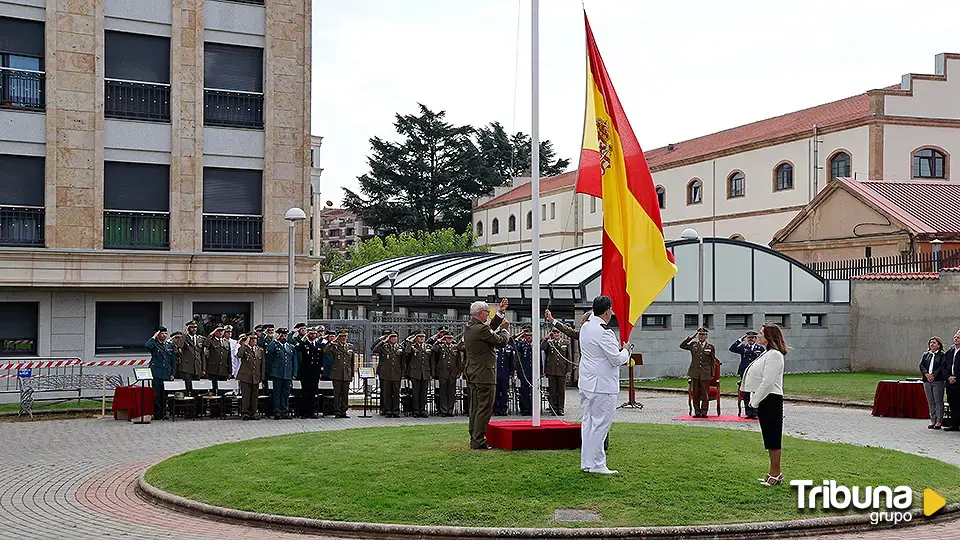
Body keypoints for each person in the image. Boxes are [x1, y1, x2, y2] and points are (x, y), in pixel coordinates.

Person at [578, 296, 632, 474]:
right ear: (607, 310)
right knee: (601, 424)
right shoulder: (604, 331)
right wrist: (626, 350)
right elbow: (616, 359)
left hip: (587, 382)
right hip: (602, 385)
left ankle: (587, 462)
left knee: (589, 423)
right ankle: (597, 464)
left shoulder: (585, 327)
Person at [741, 323, 788, 486]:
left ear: (769, 336)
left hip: (771, 399)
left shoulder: (775, 355)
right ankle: (773, 472)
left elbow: (768, 382)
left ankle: (776, 474)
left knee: (773, 438)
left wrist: (754, 402)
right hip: (765, 399)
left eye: (761, 333)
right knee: (768, 438)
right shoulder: (767, 353)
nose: (759, 335)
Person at [463, 298, 510, 450]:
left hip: (473, 373)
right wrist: (505, 330)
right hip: (484, 375)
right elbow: (500, 341)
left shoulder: (470, 327)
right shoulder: (481, 330)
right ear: (480, 313)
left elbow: (488, 328)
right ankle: (479, 440)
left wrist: (500, 312)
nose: (489, 314)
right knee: (484, 408)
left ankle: (474, 437)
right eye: (487, 312)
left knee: (475, 408)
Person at [545, 310, 590, 387]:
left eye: (583, 320)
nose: (581, 323)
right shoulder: (581, 334)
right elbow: (567, 330)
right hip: (585, 368)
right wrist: (552, 320)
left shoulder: (602, 333)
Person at [681, 327, 717, 418]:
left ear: (706, 336)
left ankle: (704, 412)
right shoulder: (693, 345)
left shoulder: (710, 347)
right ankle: (697, 411)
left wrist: (712, 373)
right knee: (695, 393)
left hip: (705, 373)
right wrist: (690, 338)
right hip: (695, 372)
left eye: (703, 334)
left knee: (705, 393)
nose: (701, 336)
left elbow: (712, 362)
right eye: (700, 334)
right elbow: (682, 346)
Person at [730, 331, 765, 419]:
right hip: (745, 373)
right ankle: (749, 413)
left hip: (756, 373)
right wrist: (740, 340)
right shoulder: (743, 348)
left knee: (756, 392)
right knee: (746, 393)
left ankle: (756, 412)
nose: (750, 340)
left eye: (752, 338)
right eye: (749, 338)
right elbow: (732, 348)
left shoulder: (760, 348)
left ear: (755, 339)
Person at [265, 327, 298, 420]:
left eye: (285, 335)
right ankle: (277, 412)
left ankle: (285, 411)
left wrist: (294, 373)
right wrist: (275, 340)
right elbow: (268, 351)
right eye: (282, 335)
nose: (284, 337)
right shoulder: (275, 345)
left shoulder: (290, 346)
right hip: (277, 373)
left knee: (286, 394)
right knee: (277, 393)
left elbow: (294, 361)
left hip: (287, 373)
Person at [146, 326, 177, 420]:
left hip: (166, 373)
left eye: (165, 334)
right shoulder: (154, 344)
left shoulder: (169, 345)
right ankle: (157, 413)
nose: (164, 335)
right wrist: (153, 337)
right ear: (157, 334)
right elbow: (147, 345)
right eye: (162, 333)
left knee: (165, 395)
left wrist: (172, 374)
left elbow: (173, 361)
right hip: (156, 373)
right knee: (156, 395)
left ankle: (164, 413)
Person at [324, 329, 354, 418]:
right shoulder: (334, 346)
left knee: (345, 394)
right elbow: (325, 350)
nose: (343, 338)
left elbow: (352, 362)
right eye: (341, 336)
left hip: (346, 373)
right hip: (336, 373)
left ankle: (343, 411)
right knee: (337, 393)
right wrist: (333, 341)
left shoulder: (350, 347)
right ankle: (337, 411)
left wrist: (351, 373)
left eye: (344, 336)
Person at [541, 326, 572, 415]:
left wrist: (568, 371)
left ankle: (560, 408)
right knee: (552, 391)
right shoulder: (550, 343)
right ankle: (553, 408)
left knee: (561, 391)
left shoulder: (566, 343)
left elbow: (569, 357)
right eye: (554, 333)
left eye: (557, 333)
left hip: (562, 371)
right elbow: (542, 348)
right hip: (551, 371)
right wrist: (546, 338)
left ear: (560, 334)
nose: (556, 334)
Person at [373, 330, 404, 417]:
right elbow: (375, 350)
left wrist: (403, 374)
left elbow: (403, 362)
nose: (393, 339)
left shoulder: (400, 347)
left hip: (396, 373)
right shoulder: (384, 347)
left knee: (396, 393)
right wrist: (383, 341)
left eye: (395, 337)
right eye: (391, 337)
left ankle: (396, 410)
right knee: (387, 393)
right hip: (386, 373)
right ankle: (388, 410)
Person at [431, 330, 461, 417]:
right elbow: (433, 349)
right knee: (443, 392)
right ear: (444, 339)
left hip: (452, 373)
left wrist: (458, 371)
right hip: (442, 372)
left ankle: (450, 410)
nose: (449, 340)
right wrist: (439, 340)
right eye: (447, 338)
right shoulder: (440, 347)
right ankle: (443, 410)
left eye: (450, 338)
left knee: (451, 392)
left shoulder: (455, 347)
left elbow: (458, 360)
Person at [295, 327, 323, 418]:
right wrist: (303, 339)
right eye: (311, 334)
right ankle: (305, 412)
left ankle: (312, 412)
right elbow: (297, 349)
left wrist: (320, 371)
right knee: (305, 393)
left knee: (313, 393)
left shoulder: (318, 345)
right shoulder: (304, 344)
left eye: (314, 334)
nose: (313, 335)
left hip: (315, 372)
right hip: (306, 372)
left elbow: (320, 359)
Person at [919, 336, 947, 430]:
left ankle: (939, 421)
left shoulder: (942, 355)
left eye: (934, 342)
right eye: (930, 342)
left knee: (938, 401)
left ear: (939, 345)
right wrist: (926, 374)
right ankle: (933, 420)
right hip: (927, 381)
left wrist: (933, 375)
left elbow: (941, 367)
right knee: (931, 401)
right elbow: (921, 365)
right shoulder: (926, 354)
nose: (932, 344)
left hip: (937, 380)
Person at [236, 334, 264, 421]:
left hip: (255, 376)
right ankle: (245, 413)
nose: (254, 341)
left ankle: (253, 412)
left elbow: (262, 365)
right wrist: (245, 344)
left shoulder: (260, 350)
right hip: (245, 376)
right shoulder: (244, 349)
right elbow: (239, 355)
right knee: (246, 396)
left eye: (255, 339)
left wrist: (262, 377)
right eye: (252, 339)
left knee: (254, 396)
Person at [404, 330, 432, 418]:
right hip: (415, 372)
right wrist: (409, 341)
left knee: (424, 393)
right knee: (416, 393)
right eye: (420, 337)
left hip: (425, 373)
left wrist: (431, 373)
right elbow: (407, 352)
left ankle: (422, 410)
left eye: (423, 337)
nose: (421, 338)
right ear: (416, 338)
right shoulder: (412, 347)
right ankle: (416, 410)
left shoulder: (428, 346)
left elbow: (431, 361)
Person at [175, 320, 203, 390]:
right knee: (187, 388)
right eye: (192, 327)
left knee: (196, 389)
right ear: (188, 328)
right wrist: (184, 334)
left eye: (195, 327)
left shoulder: (200, 338)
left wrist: (203, 368)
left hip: (197, 367)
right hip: (187, 368)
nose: (194, 329)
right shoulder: (184, 338)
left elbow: (202, 354)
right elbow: (179, 345)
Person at [941, 331, 960, 431]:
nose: (956, 339)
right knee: (952, 403)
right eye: (955, 337)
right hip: (950, 382)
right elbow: (944, 367)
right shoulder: (949, 352)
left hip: (959, 381)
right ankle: (954, 425)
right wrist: (948, 377)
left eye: (958, 337)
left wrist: (956, 377)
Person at [513, 327, 534, 416]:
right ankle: (525, 409)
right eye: (527, 335)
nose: (529, 337)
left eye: (530, 335)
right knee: (524, 391)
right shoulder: (521, 344)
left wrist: (541, 371)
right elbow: (512, 342)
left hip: (533, 372)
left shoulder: (535, 344)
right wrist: (520, 334)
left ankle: (532, 408)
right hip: (524, 372)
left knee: (533, 391)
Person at [494, 340, 515, 415]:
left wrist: (511, 373)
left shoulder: (509, 348)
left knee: (504, 393)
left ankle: (504, 409)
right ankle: (497, 409)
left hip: (505, 374)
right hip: (496, 374)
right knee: (496, 392)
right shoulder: (495, 348)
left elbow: (511, 362)